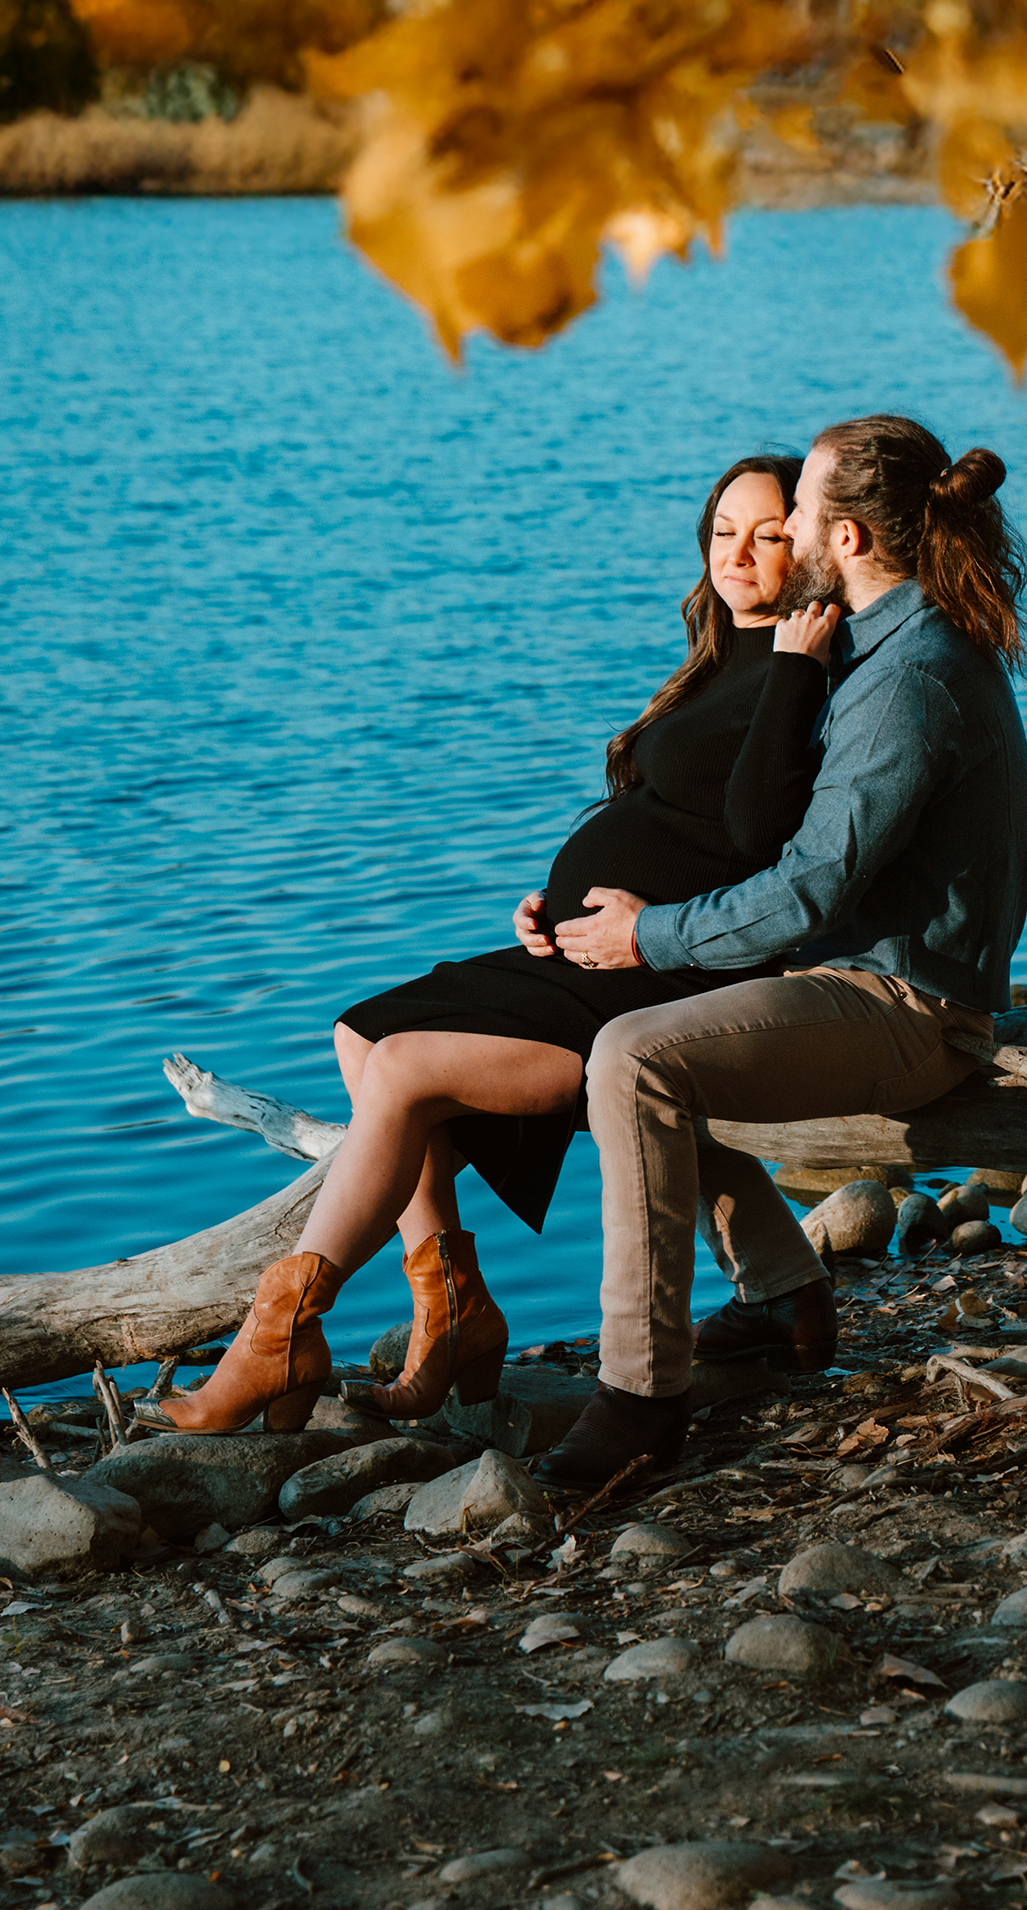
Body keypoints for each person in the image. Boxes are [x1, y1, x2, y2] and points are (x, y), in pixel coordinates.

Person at [135, 454, 840, 1437]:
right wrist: (546, 907)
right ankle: (455, 1309)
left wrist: (801, 668)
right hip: (581, 954)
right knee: (357, 1033)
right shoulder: (715, 661)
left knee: (407, 1071)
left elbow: (760, 828)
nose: (740, 552)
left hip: (660, 974)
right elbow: (663, 819)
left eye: (768, 533)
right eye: (724, 530)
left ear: (807, 543)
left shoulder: (803, 664)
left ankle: (283, 1325)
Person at [533, 413, 1027, 1490]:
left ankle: (639, 1395)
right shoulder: (874, 641)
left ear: (847, 537)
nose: (784, 525)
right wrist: (599, 913)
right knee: (593, 1035)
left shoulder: (909, 679)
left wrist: (649, 935)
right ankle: (782, 1292)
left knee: (634, 1056)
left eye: (799, 509)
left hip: (904, 1007)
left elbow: (812, 886)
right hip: (837, 975)